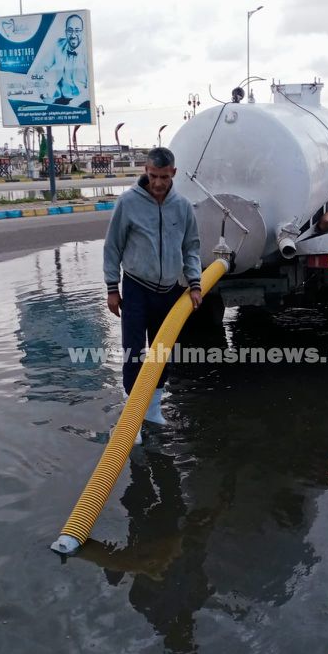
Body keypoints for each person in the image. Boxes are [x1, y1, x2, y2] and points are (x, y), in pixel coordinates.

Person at [103, 147, 202, 443]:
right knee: (134, 352)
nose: (157, 182)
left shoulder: (182, 207)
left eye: (163, 176)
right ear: (146, 171)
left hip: (169, 291)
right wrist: (112, 288)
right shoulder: (128, 203)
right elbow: (113, 247)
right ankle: (132, 416)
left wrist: (195, 283)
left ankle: (153, 409)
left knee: (161, 353)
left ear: (174, 173)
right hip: (135, 288)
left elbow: (192, 248)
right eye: (152, 175)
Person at [33, 14, 90, 108]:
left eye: (77, 30)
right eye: (70, 30)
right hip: (62, 99)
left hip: (83, 100)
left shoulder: (87, 52)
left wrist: (71, 105)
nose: (73, 35)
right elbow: (39, 69)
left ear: (82, 32)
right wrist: (44, 94)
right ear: (65, 31)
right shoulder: (58, 45)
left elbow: (89, 90)